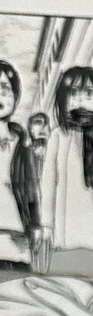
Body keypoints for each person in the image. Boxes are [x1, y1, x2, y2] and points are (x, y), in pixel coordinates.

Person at [45, 67, 93, 274]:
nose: (80, 100)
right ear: (63, 99)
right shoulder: (58, 137)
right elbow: (48, 184)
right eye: (73, 93)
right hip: (65, 237)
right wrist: (46, 225)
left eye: (88, 94)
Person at [0, 63, 39, 273]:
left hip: (15, 240)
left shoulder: (23, 145)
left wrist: (35, 224)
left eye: (5, 89)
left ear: (15, 97)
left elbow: (31, 191)